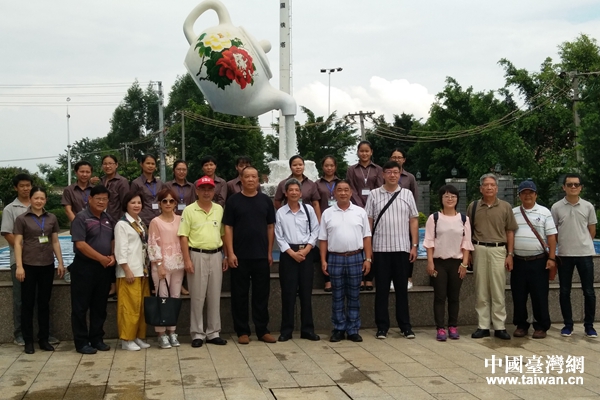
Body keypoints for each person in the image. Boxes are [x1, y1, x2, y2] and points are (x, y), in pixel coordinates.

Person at [365, 161, 419, 340]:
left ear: (400, 174)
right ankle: (382, 327)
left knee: (402, 290)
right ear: (383, 174)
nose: (392, 175)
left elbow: (413, 220)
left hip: (402, 249)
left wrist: (414, 245)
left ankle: (405, 326)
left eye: (396, 172)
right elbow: (369, 222)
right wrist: (368, 249)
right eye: (389, 172)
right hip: (380, 249)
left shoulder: (407, 194)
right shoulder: (374, 195)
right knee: (381, 290)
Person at [223, 166, 277, 344]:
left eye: (254, 176)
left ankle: (262, 330)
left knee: (261, 294)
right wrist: (230, 253)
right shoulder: (233, 201)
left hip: (261, 255)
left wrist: (269, 252)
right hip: (239, 256)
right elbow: (228, 227)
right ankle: (242, 331)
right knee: (239, 295)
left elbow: (270, 227)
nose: (251, 179)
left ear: (258, 180)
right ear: (241, 179)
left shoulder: (265, 201)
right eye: (247, 177)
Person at [14, 187, 66, 354]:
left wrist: (60, 262)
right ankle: (28, 341)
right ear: (30, 199)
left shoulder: (51, 218)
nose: (39, 201)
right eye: (36, 198)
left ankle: (44, 339)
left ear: (46, 200)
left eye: (42, 198)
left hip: (47, 265)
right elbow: (17, 243)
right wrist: (19, 266)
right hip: (29, 265)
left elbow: (55, 241)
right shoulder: (22, 219)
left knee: (44, 303)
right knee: (27, 304)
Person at [319, 180, 372, 343]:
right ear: (334, 193)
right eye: (339, 190)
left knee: (354, 295)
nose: (343, 193)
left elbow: (367, 237)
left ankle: (353, 329)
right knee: (337, 296)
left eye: (346, 190)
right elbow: (323, 239)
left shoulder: (360, 212)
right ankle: (338, 329)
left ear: (351, 192)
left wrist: (368, 258)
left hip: (355, 257)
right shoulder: (327, 213)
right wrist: (323, 260)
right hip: (335, 258)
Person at [179, 176, 229, 347]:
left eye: (210, 189)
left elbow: (223, 234)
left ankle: (213, 332)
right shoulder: (189, 210)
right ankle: (197, 333)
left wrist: (226, 255)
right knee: (197, 296)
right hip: (196, 255)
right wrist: (187, 260)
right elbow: (183, 236)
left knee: (214, 296)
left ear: (214, 191)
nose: (206, 192)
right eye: (203, 189)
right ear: (197, 191)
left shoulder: (219, 209)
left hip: (216, 255)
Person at [467, 173, 518, 340]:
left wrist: (510, 254)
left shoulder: (505, 207)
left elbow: (510, 232)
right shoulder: (473, 206)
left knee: (498, 289)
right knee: (481, 289)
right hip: (479, 249)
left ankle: (499, 326)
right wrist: (469, 253)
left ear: (497, 188)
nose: (489, 188)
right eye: (486, 185)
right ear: (481, 188)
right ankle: (482, 326)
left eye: (492, 185)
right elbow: (468, 231)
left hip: (499, 250)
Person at [423, 185, 473, 341]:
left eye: (453, 196)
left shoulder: (464, 219)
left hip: (456, 263)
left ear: (457, 199)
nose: (450, 199)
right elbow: (429, 241)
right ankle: (440, 328)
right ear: (441, 199)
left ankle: (453, 326)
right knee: (440, 296)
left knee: (454, 296)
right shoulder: (434, 218)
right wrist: (430, 262)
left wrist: (464, 264)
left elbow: (466, 243)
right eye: (446, 196)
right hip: (439, 262)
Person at [70, 185, 115, 354]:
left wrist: (113, 255)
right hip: (84, 268)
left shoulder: (108, 218)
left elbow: (112, 240)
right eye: (98, 199)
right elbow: (80, 244)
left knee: (99, 306)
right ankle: (81, 342)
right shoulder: (81, 218)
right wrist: (101, 258)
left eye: (104, 199)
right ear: (90, 199)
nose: (101, 202)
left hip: (104, 269)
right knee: (80, 307)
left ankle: (97, 339)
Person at [551, 173, 598, 338]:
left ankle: (589, 326)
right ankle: (568, 325)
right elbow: (553, 231)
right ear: (563, 187)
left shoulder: (588, 206)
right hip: (565, 255)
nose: (573, 187)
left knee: (589, 291)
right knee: (564, 291)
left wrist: (582, 243)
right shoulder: (556, 207)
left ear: (580, 188)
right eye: (569, 184)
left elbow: (592, 230)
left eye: (576, 184)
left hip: (585, 254)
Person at [275, 178, 320, 342]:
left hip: (306, 253)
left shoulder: (309, 209)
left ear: (301, 193)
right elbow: (279, 236)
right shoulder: (281, 212)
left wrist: (307, 249)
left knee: (306, 293)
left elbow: (315, 230)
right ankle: (286, 330)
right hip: (288, 255)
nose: (294, 192)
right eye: (291, 190)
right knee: (288, 293)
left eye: (296, 190)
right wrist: (292, 253)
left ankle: (307, 329)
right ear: (286, 193)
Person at [512, 181, 557, 339]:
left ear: (536, 195)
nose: (527, 195)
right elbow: (509, 235)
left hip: (538, 261)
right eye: (524, 193)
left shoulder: (544, 212)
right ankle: (521, 325)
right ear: (519, 196)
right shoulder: (513, 213)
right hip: (518, 261)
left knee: (539, 295)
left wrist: (552, 258)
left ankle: (541, 326)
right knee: (519, 295)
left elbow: (551, 237)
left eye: (530, 192)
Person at [148, 188, 185, 349]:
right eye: (165, 201)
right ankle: (161, 334)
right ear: (160, 203)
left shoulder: (181, 220)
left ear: (175, 203)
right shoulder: (155, 222)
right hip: (161, 265)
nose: (168, 204)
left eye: (171, 201)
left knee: (175, 298)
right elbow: (152, 244)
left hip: (178, 264)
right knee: (162, 298)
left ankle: (172, 331)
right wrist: (159, 265)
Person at [114, 190, 151, 351]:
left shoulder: (140, 222)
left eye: (139, 202)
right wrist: (126, 269)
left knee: (141, 307)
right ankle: (126, 339)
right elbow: (120, 249)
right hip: (129, 272)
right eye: (133, 202)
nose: (136, 205)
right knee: (129, 307)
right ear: (126, 205)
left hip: (142, 270)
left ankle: (137, 336)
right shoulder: (122, 224)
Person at [345, 140, 383, 291]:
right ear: (357, 152)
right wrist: (361, 206)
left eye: (367, 151)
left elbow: (379, 188)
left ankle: (370, 277)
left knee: (372, 241)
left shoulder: (378, 169)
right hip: (356, 208)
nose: (364, 153)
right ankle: (360, 277)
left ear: (371, 152)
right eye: (362, 151)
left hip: (375, 210)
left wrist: (371, 206)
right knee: (358, 241)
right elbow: (351, 188)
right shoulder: (352, 169)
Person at [1, 173, 33, 346]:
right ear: (16, 188)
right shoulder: (10, 209)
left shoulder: (38, 204)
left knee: (39, 299)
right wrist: (25, 249)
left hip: (38, 261)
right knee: (20, 299)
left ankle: (43, 333)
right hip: (19, 261)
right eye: (22, 186)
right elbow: (7, 233)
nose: (26, 188)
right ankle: (19, 334)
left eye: (28, 185)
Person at [100, 154, 130, 298]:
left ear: (116, 165)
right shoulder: (101, 181)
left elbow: (125, 203)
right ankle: (109, 284)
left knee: (118, 253)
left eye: (111, 163)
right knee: (107, 252)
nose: (108, 166)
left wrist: (123, 222)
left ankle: (117, 286)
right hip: (103, 223)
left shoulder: (122, 181)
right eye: (105, 164)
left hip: (117, 222)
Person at [390, 148, 418, 290]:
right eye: (394, 157)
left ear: (404, 160)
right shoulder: (386, 175)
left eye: (399, 157)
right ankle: (392, 278)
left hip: (406, 219)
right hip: (390, 218)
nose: (396, 159)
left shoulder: (410, 177)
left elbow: (414, 197)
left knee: (408, 248)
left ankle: (408, 277)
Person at [315, 155, 341, 292]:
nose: (329, 168)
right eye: (326, 165)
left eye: (332, 165)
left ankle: (339, 278)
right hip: (325, 220)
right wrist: (320, 221)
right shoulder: (317, 184)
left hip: (340, 219)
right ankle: (327, 280)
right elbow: (316, 203)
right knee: (325, 250)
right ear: (322, 167)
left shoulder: (341, 182)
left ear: (335, 167)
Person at [274, 155, 321, 220]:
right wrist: (284, 213)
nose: (298, 167)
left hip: (306, 217)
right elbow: (277, 202)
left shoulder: (311, 184)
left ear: (304, 166)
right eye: (295, 165)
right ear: (290, 167)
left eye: (300, 165)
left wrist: (319, 220)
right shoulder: (283, 184)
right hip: (289, 218)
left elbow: (315, 204)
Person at [130, 154, 165, 227]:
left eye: (153, 164)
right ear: (141, 164)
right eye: (148, 163)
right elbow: (132, 203)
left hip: (159, 220)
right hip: (143, 221)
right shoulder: (136, 183)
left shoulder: (160, 183)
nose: (150, 166)